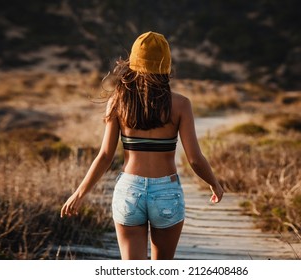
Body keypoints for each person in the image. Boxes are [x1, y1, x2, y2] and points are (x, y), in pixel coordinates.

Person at [60, 31, 224, 260]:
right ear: (166, 63)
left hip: (129, 190)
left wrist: (79, 194)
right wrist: (214, 184)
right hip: (166, 191)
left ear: (134, 62)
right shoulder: (181, 104)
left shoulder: (117, 101)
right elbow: (194, 158)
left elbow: (105, 155)